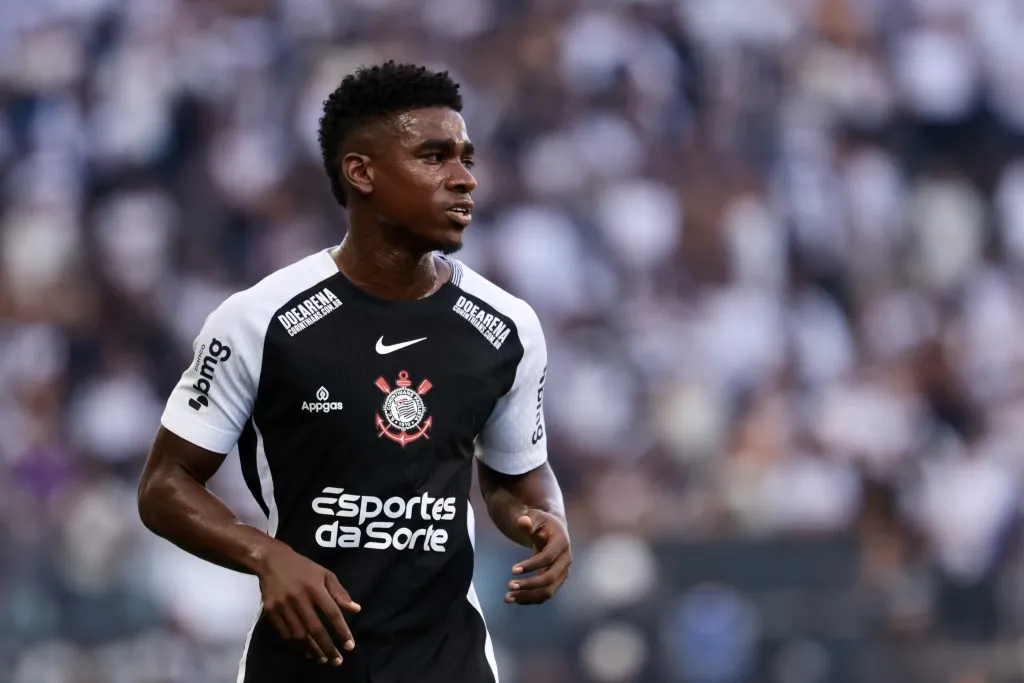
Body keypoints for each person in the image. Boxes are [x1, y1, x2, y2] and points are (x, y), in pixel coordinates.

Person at [137, 61, 572, 683]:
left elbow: (517, 480)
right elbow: (163, 485)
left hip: (447, 662)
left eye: (466, 159)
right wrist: (267, 558)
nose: (464, 180)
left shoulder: (505, 327)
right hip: (304, 662)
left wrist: (547, 520)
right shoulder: (260, 321)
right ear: (361, 172)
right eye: (434, 157)